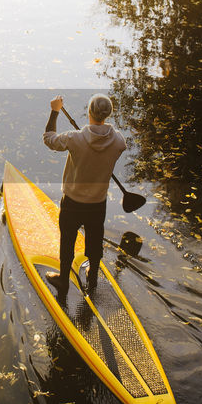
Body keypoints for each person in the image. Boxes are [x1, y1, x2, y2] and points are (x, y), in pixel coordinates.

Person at [43, 94, 126, 299]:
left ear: (89, 113)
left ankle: (63, 279)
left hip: (73, 202)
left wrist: (55, 111)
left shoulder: (75, 138)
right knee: (95, 238)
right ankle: (93, 273)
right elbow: (115, 145)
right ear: (108, 115)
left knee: (68, 240)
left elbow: (49, 139)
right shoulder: (118, 141)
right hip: (98, 203)